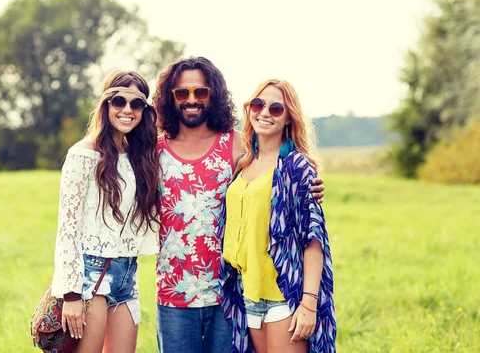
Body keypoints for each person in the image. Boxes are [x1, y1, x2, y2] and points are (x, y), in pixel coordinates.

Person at [152, 57, 326, 353]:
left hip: (229, 294)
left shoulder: (235, 146)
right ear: (170, 98)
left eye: (201, 92)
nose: (191, 100)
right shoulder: (155, 150)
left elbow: (282, 175)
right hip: (174, 296)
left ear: (213, 95)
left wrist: (313, 186)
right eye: (182, 93)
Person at [218, 79, 336, 353]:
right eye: (257, 105)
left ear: (288, 118)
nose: (264, 113)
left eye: (275, 108)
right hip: (248, 293)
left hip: (285, 295)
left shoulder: (296, 166)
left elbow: (313, 239)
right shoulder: (243, 164)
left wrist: (308, 304)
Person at [50, 70, 161, 353]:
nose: (127, 110)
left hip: (127, 275)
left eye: (136, 104)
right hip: (90, 277)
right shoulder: (83, 154)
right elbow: (67, 228)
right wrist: (72, 295)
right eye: (119, 101)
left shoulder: (140, 156)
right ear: (105, 105)